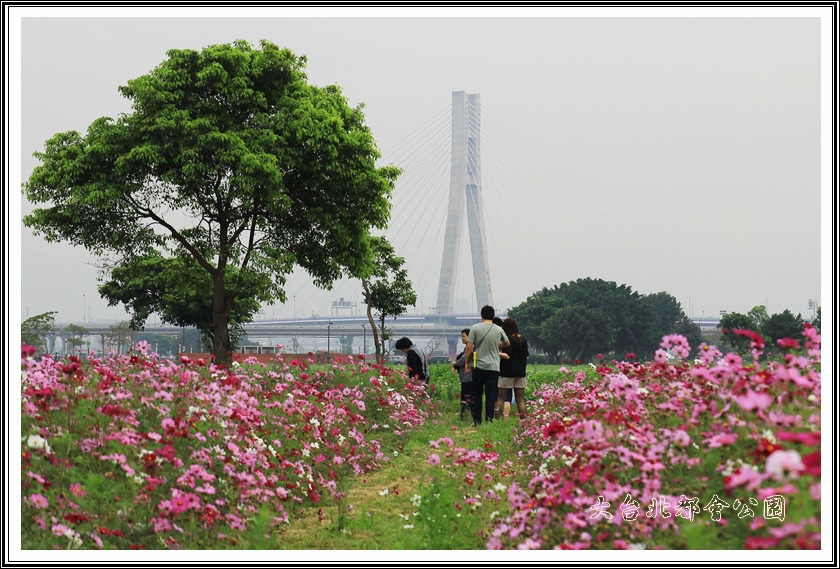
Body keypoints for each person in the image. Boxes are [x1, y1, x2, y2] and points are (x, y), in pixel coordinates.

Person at [465, 306, 509, 425]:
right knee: (491, 394)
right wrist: (495, 344)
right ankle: (489, 420)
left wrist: (467, 363)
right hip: (493, 367)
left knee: (477, 394)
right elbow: (507, 342)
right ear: (493, 316)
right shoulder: (498, 329)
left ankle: (477, 421)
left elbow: (469, 347)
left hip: (478, 366)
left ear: (482, 316)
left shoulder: (475, 328)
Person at [496, 317, 529, 420]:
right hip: (520, 372)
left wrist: (496, 353)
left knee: (501, 398)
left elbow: (507, 355)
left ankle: (496, 419)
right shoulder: (523, 339)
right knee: (520, 399)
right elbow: (526, 356)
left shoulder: (508, 340)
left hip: (507, 372)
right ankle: (524, 421)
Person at [450, 329, 473, 420]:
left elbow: (463, 360)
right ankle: (466, 415)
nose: (462, 338)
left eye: (463, 336)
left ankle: (464, 416)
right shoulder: (466, 347)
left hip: (468, 376)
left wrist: (454, 364)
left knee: (466, 397)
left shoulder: (470, 347)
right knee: (467, 397)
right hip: (466, 376)